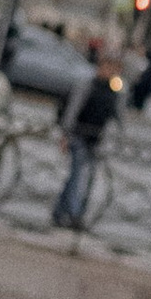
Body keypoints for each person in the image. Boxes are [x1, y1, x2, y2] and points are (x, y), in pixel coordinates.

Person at [50, 59, 123, 225]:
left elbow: (116, 115)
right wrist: (66, 134)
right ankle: (75, 214)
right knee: (77, 176)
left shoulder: (113, 91)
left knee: (78, 177)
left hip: (95, 139)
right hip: (78, 135)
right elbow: (73, 110)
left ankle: (59, 211)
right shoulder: (87, 85)